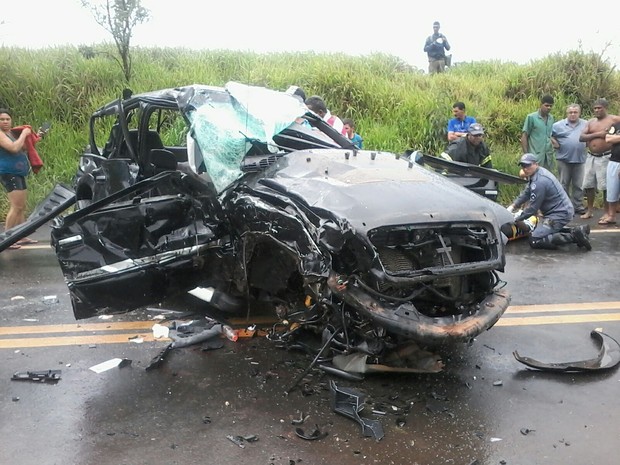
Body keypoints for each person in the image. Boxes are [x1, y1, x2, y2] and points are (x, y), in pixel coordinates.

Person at [506, 153, 591, 251]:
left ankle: (573, 237)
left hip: (559, 214)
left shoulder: (539, 181)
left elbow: (533, 208)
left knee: (535, 239)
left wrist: (517, 217)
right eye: (523, 166)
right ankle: (577, 230)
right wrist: (513, 206)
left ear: (536, 164)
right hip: (558, 212)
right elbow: (526, 193)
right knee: (544, 230)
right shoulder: (536, 174)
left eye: (528, 165)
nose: (525, 168)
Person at [0, 108, 39, 249]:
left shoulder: (10, 133)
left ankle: (20, 235)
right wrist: (24, 133)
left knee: (21, 207)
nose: (5, 122)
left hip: (18, 172)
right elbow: (14, 148)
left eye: (7, 119)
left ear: (11, 120)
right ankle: (6, 238)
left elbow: (23, 147)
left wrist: (35, 136)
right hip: (9, 173)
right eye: (1, 119)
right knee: (16, 206)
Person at [578, 98, 620, 222]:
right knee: (588, 184)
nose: (597, 110)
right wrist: (599, 134)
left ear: (605, 108)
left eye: (599, 108)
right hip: (591, 156)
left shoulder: (614, 119)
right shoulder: (591, 122)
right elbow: (581, 137)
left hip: (606, 156)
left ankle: (607, 212)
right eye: (595, 108)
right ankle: (590, 210)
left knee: (606, 186)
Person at [551, 104, 588, 215]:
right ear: (567, 113)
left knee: (579, 185)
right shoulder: (557, 125)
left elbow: (591, 135)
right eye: (570, 112)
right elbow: (548, 135)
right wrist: (555, 143)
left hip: (580, 159)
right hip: (563, 159)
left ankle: (578, 205)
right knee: (563, 184)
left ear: (579, 113)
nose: (573, 114)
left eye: (575, 112)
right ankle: (565, 206)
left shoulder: (586, 124)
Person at [521, 95, 555, 171]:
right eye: (546, 105)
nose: (548, 108)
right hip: (535, 156)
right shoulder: (531, 117)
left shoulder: (551, 118)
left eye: (550, 106)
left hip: (547, 157)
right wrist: (526, 155)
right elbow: (524, 136)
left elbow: (550, 135)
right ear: (541, 105)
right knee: (532, 177)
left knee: (546, 178)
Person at [601, 122, 620, 225]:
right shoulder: (616, 125)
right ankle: (611, 216)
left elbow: (613, 139)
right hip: (614, 162)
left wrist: (616, 138)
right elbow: (608, 139)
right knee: (612, 189)